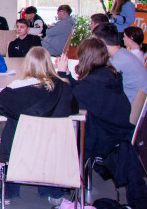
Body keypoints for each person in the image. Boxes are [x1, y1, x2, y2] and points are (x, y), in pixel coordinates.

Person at [56, 39, 147, 208]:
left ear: (86, 58)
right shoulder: (107, 74)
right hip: (119, 133)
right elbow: (81, 92)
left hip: (105, 139)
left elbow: (69, 102)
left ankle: (59, 188)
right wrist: (67, 75)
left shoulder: (94, 83)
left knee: (59, 135)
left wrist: (62, 75)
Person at [0, 46, 79, 205]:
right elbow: (73, 109)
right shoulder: (63, 88)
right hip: (53, 150)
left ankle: (9, 192)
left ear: (27, 65)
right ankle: (52, 190)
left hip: (21, 150)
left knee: (13, 122)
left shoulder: (16, 88)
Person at [93, 23, 147, 103]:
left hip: (128, 107)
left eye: (94, 41)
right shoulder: (122, 53)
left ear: (102, 41)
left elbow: (100, 87)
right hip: (130, 103)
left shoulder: (120, 61)